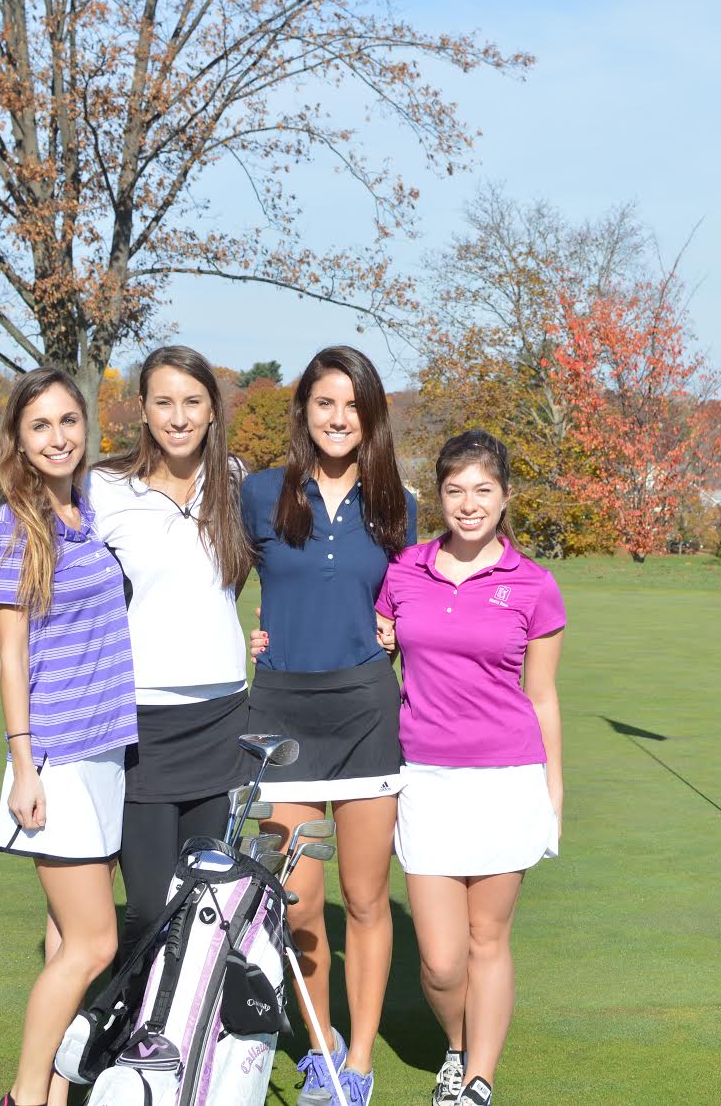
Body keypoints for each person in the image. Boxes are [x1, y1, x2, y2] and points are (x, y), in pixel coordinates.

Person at [242, 345, 416, 1106]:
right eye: (324, 403)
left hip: (367, 716)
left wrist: (399, 634)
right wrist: (234, 638)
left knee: (368, 898)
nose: (338, 417)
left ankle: (359, 1063)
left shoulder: (397, 505)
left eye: (352, 404)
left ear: (369, 415)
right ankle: (322, 1045)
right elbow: (207, 584)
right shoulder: (256, 494)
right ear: (304, 412)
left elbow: (412, 601)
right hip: (281, 715)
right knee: (300, 900)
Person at [373, 430, 564, 1106]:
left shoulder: (534, 586)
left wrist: (553, 793)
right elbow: (372, 659)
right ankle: (456, 1042)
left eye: (483, 489)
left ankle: (478, 1074)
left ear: (506, 497)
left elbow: (542, 696)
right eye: (455, 489)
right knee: (440, 959)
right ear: (440, 495)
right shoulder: (404, 572)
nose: (469, 503)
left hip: (508, 780)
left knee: (489, 939)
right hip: (425, 779)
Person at [0, 369, 138, 1106]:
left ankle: (48, 1093)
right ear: (18, 437)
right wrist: (24, 766)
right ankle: (23, 1097)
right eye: (40, 425)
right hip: (59, 756)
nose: (57, 437)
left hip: (108, 751)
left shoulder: (89, 513)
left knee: (62, 935)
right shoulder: (13, 523)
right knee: (94, 943)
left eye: (68, 421)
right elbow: (11, 654)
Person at [86, 345, 253, 968]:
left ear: (212, 410)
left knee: (204, 903)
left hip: (222, 719)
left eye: (192, 402)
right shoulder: (103, 488)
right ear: (142, 409)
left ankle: (183, 1053)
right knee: (150, 906)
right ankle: (124, 1042)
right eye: (164, 402)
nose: (178, 417)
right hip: (142, 721)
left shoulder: (234, 481)